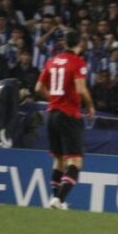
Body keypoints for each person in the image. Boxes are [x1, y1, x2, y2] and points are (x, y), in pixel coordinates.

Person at [35, 31, 95, 210]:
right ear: (80, 45)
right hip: (68, 114)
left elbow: (38, 87)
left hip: (52, 114)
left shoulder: (52, 60)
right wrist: (90, 106)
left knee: (59, 161)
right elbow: (81, 89)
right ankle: (59, 199)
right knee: (75, 162)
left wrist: (54, 99)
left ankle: (55, 199)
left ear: (64, 43)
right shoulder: (78, 62)